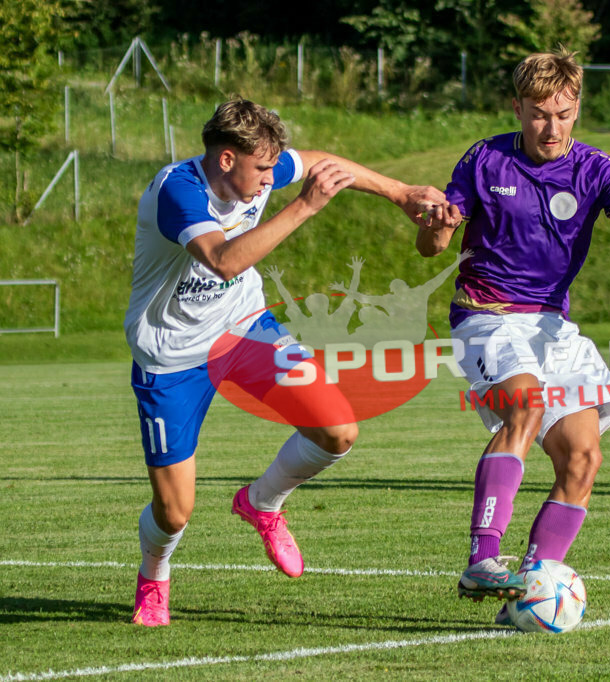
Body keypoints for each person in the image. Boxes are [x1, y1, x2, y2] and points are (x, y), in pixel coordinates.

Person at [415, 48, 610, 623]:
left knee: (583, 457)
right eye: (538, 113)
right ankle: (483, 559)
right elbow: (433, 243)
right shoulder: (484, 159)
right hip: (485, 314)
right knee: (525, 408)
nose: (550, 126)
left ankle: (536, 583)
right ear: (518, 108)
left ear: (576, 109)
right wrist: (435, 232)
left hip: (552, 325)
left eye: (561, 113)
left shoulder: (598, 171)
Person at [124, 98, 452, 626]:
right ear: (227, 159)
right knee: (174, 511)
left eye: (276, 167)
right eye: (263, 169)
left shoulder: (256, 169)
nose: (271, 178)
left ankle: (262, 503)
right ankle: (154, 576)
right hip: (171, 357)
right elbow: (224, 261)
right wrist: (304, 206)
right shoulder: (179, 191)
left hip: (245, 329)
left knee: (338, 430)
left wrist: (400, 192)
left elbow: (323, 162)